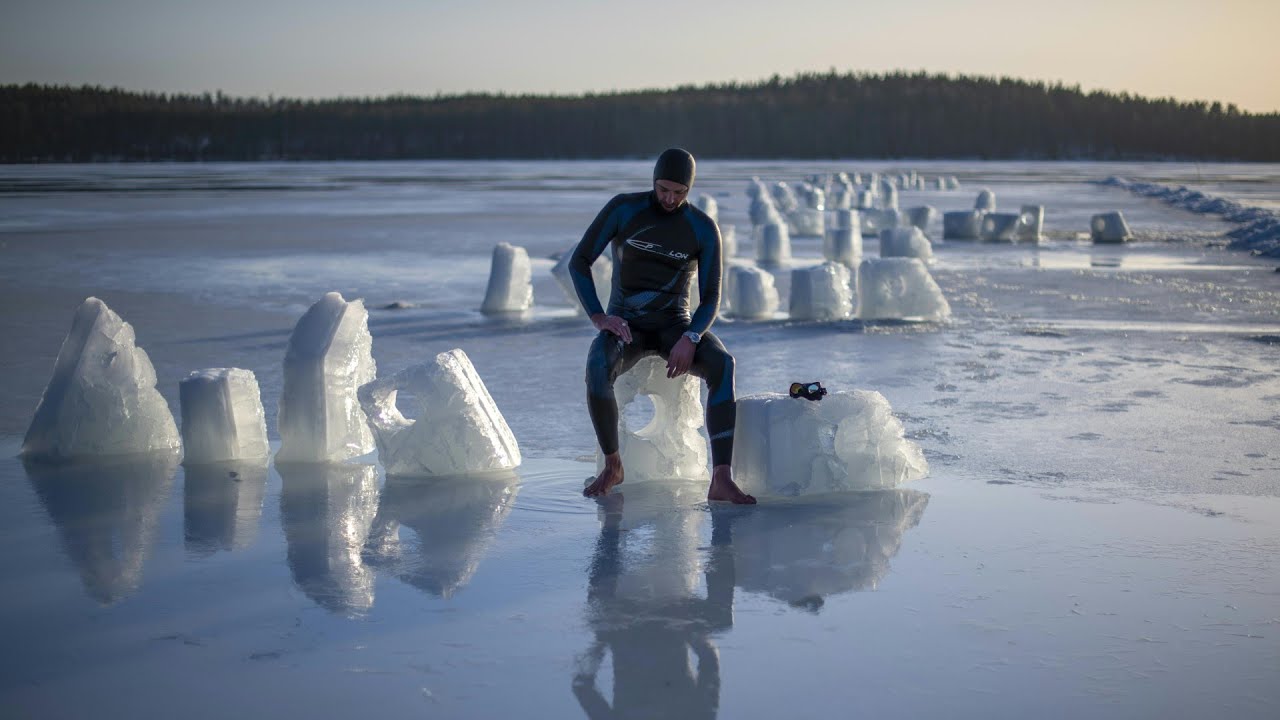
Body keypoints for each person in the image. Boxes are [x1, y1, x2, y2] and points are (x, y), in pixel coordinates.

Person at [569, 148, 756, 504]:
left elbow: (712, 296)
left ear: (690, 189)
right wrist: (599, 317)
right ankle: (613, 464)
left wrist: (691, 335)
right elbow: (579, 263)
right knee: (596, 365)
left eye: (679, 192)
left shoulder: (701, 227)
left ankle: (721, 478)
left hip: (675, 325)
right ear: (653, 181)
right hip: (627, 327)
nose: (670, 198)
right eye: (663, 189)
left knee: (723, 364)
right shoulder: (624, 209)